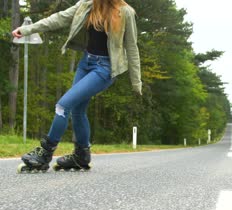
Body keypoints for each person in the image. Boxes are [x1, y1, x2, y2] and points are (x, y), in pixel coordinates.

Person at [13, 0, 142, 172]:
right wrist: (26, 29)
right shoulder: (86, 5)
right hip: (86, 63)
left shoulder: (125, 12)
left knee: (63, 105)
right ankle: (82, 156)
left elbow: (132, 47)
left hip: (105, 68)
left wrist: (136, 82)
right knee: (77, 110)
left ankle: (45, 153)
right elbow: (58, 18)